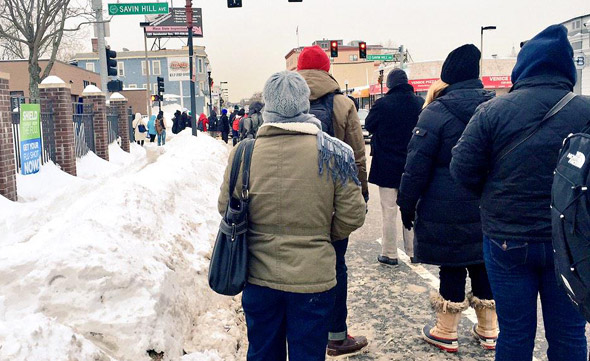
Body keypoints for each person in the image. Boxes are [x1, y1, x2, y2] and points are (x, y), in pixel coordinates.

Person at [450, 25, 590, 361]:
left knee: (513, 334)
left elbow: (461, 170)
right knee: (569, 334)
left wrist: (495, 196)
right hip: (570, 243)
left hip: (507, 238)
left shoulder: (493, 111)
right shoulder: (585, 111)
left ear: (523, 67)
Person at [217, 71, 366, 361]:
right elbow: (353, 214)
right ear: (305, 105)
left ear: (268, 107)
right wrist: (324, 234)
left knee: (262, 354)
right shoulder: (334, 152)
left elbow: (226, 207)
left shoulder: (244, 153)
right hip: (314, 279)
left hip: (258, 277)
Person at [397, 44, 497, 353]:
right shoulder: (495, 109)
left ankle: (446, 330)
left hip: (445, 204)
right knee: (481, 263)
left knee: (452, 264)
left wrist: (406, 204)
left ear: (448, 75)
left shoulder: (436, 113)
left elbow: (416, 166)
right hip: (486, 204)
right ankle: (489, 329)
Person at [297, 44, 369, 357]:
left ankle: (300, 333)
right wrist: (361, 193)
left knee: (296, 263)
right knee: (336, 266)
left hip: (297, 199)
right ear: (327, 70)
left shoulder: (289, 101)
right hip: (334, 202)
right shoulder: (343, 104)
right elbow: (356, 155)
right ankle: (337, 336)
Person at [365, 68, 424, 266]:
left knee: (389, 210)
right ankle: (414, 251)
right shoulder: (419, 103)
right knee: (411, 208)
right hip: (412, 165)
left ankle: (389, 253)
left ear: (389, 85)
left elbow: (369, 125)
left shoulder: (383, 104)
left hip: (387, 165)